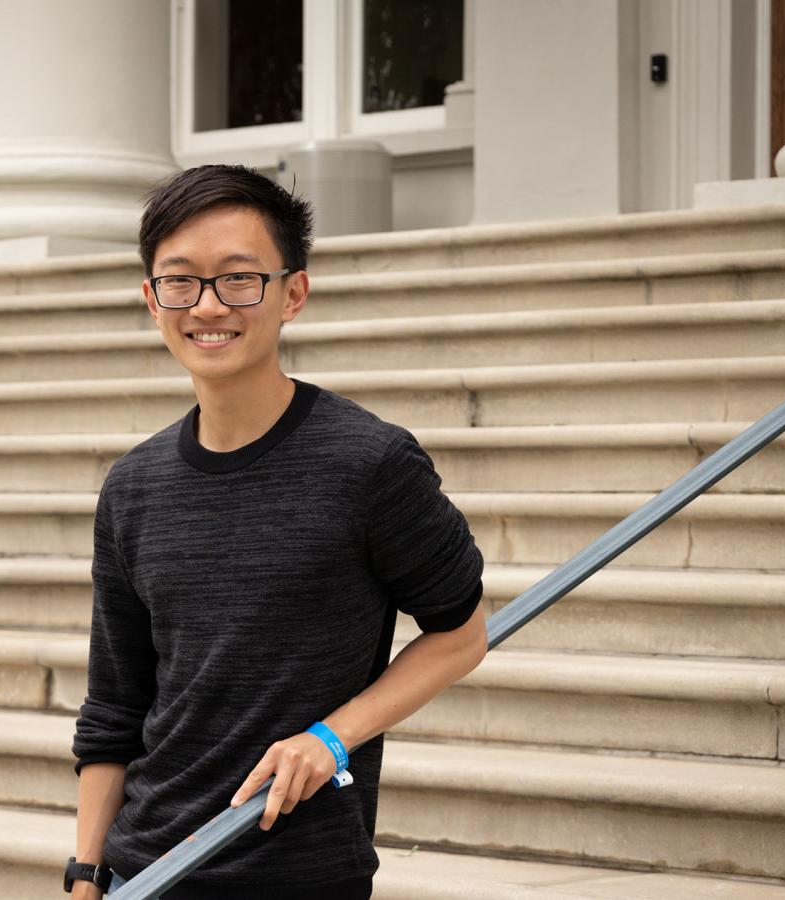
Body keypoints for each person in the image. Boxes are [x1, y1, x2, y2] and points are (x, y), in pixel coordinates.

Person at [66, 165, 487, 899]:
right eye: (181, 281)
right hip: (147, 869)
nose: (208, 306)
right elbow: (114, 709)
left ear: (293, 292)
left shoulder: (370, 463)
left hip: (301, 873)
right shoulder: (132, 487)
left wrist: (331, 738)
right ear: (151, 299)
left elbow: (462, 633)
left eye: (239, 278)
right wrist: (85, 874)